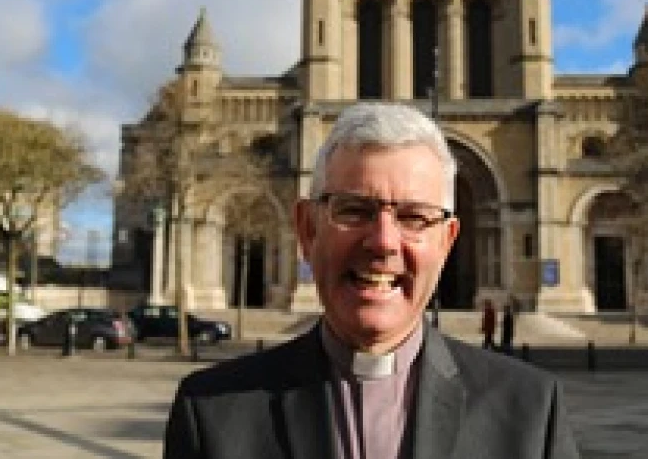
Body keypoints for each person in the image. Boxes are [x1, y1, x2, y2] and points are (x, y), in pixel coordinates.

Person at [164, 102, 580, 458]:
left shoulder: (530, 410)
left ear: (447, 241)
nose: (383, 243)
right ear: (308, 229)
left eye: (414, 217)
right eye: (354, 210)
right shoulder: (211, 412)